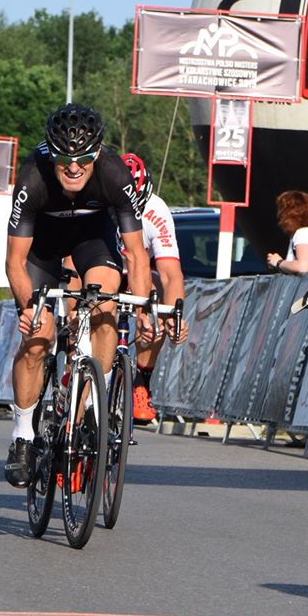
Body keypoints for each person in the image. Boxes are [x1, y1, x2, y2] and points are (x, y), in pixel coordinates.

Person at [3, 105, 155, 486]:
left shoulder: (115, 174)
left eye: (84, 159)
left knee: (105, 305)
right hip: (42, 246)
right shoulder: (32, 178)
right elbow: (14, 262)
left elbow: (136, 255)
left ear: (98, 153)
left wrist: (143, 312)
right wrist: (29, 308)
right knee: (38, 337)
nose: (74, 167)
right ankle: (23, 435)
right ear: (51, 154)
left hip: (92, 238)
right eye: (64, 159)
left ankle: (95, 405)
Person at [121, 151, 189, 426]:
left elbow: (171, 274)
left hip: (140, 271)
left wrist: (174, 316)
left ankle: (141, 381)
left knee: (158, 301)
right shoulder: (100, 202)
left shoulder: (156, 210)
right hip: (108, 266)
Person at [265, 190, 308, 276]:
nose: (279, 215)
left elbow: (304, 267)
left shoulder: (303, 234)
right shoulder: (304, 233)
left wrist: (279, 262)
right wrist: (279, 265)